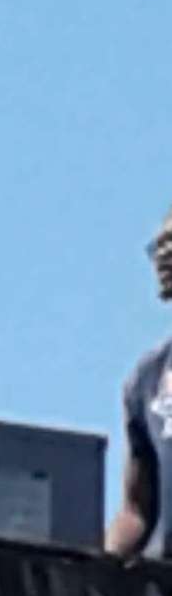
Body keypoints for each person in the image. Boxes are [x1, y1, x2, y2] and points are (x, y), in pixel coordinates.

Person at [106, 208, 172, 558]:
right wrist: (102, 568)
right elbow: (137, 510)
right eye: (160, 245)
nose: (164, 255)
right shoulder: (147, 379)